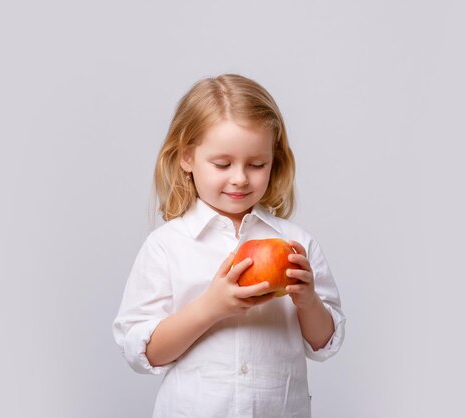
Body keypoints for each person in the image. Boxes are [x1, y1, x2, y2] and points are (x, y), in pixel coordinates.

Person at [113, 74, 345, 417]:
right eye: (222, 164)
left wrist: (308, 301)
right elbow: (143, 353)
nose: (240, 177)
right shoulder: (167, 246)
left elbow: (324, 343)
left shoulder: (296, 244)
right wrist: (212, 307)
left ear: (274, 161)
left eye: (256, 164)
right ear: (187, 158)